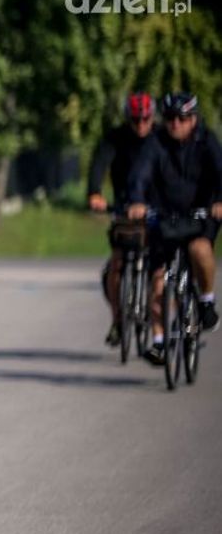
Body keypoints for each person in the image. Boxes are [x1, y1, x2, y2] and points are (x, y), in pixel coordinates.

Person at [127, 91, 222, 355]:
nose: (175, 124)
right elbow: (140, 174)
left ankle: (206, 300)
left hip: (200, 215)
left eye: (181, 118)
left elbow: (220, 171)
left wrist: (219, 201)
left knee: (199, 249)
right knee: (158, 281)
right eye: (169, 118)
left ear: (193, 119)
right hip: (165, 217)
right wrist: (137, 200)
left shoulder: (206, 140)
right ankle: (159, 342)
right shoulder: (156, 142)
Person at [88, 92, 157, 345]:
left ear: (153, 118)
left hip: (156, 207)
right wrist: (94, 192)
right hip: (124, 208)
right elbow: (99, 164)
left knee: (161, 266)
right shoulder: (115, 138)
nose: (141, 125)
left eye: (145, 119)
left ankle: (159, 318)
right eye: (135, 120)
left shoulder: (161, 138)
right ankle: (118, 320)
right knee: (116, 264)